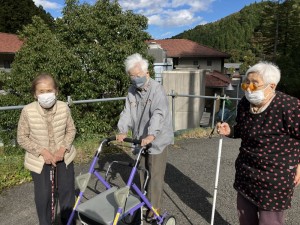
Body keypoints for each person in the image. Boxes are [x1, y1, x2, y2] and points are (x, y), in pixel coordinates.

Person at [217, 62, 300, 225]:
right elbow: (242, 130)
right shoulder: (244, 104)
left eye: (255, 85)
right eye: (246, 83)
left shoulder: (290, 107)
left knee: (269, 222)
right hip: (246, 173)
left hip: (275, 178)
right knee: (245, 218)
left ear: (272, 86)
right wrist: (230, 131)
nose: (248, 89)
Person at [116, 53, 174, 220]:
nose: (135, 79)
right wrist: (122, 130)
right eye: (132, 77)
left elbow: (158, 113)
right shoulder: (132, 91)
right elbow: (127, 112)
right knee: (142, 171)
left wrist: (151, 135)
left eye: (138, 75)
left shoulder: (157, 90)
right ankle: (144, 201)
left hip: (157, 138)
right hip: (140, 138)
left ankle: (154, 208)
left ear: (147, 73)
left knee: (155, 174)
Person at [17, 73, 77, 225]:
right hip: (39, 160)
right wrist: (43, 152)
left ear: (56, 91)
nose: (46, 95)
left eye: (49, 90)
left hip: (64, 157)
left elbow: (71, 130)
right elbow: (22, 138)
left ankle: (68, 221)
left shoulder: (64, 107)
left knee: (67, 193)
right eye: (41, 91)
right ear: (35, 94)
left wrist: (62, 149)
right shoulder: (27, 111)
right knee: (44, 196)